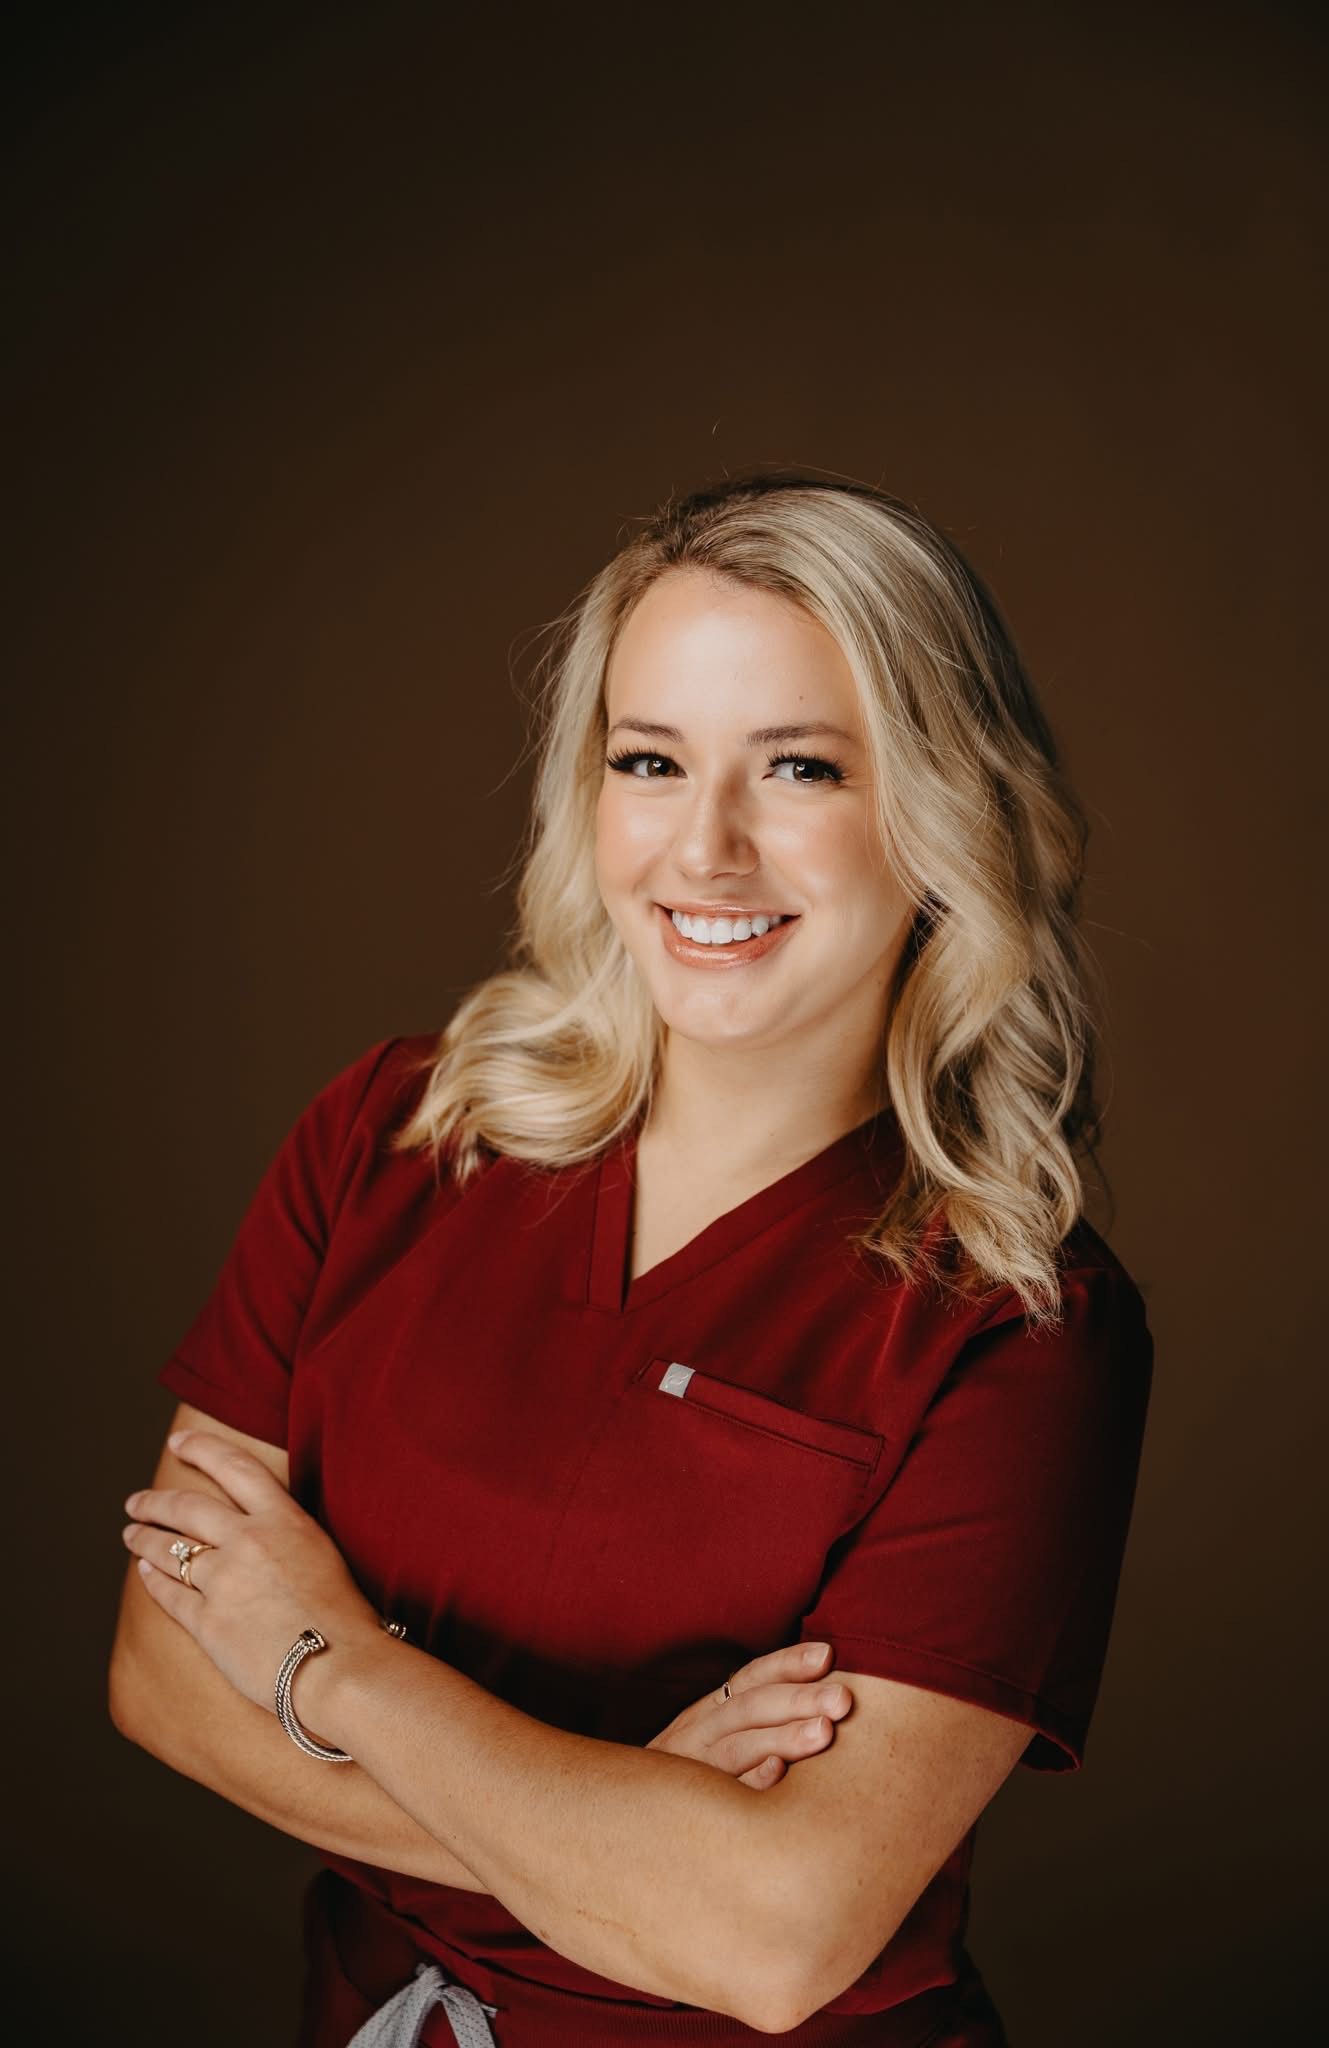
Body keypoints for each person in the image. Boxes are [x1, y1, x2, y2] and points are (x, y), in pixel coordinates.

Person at [108, 469, 1154, 2047]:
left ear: (944, 815)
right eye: (648, 760)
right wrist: (630, 1825)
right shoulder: (394, 1134)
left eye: (799, 767)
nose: (705, 849)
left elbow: (772, 1939)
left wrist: (327, 1669)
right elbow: (162, 1677)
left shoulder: (1017, 1324)